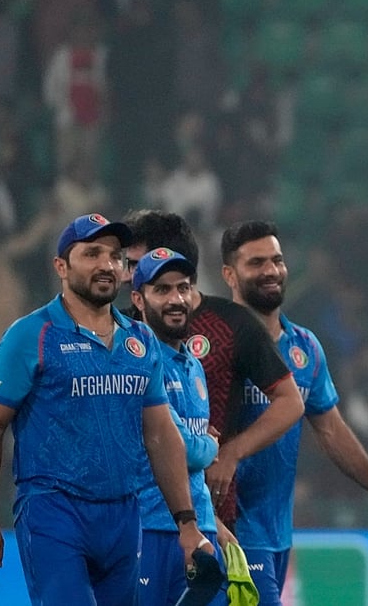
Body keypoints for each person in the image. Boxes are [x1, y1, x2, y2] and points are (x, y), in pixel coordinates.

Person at [0, 213, 210, 603]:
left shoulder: (140, 340)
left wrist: (187, 523)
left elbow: (161, 435)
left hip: (124, 516)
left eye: (115, 256)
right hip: (53, 511)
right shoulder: (31, 335)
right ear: (61, 266)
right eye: (92, 253)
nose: (106, 265)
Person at [219, 220, 368, 604]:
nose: (271, 271)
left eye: (276, 260)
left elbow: (331, 430)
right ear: (229, 274)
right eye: (256, 263)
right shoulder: (213, 345)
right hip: (232, 530)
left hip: (278, 533)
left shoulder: (304, 347)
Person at [121, 210, 303, 529]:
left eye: (136, 265)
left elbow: (290, 401)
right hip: (138, 516)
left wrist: (231, 452)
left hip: (211, 511)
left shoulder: (231, 324)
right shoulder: (120, 333)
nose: (125, 275)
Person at [130, 247, 228, 605]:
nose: (176, 299)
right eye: (163, 290)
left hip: (199, 528)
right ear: (139, 299)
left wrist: (216, 527)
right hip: (150, 527)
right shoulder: (138, 360)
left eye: (183, 288)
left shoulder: (193, 365)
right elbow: (181, 445)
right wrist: (210, 447)